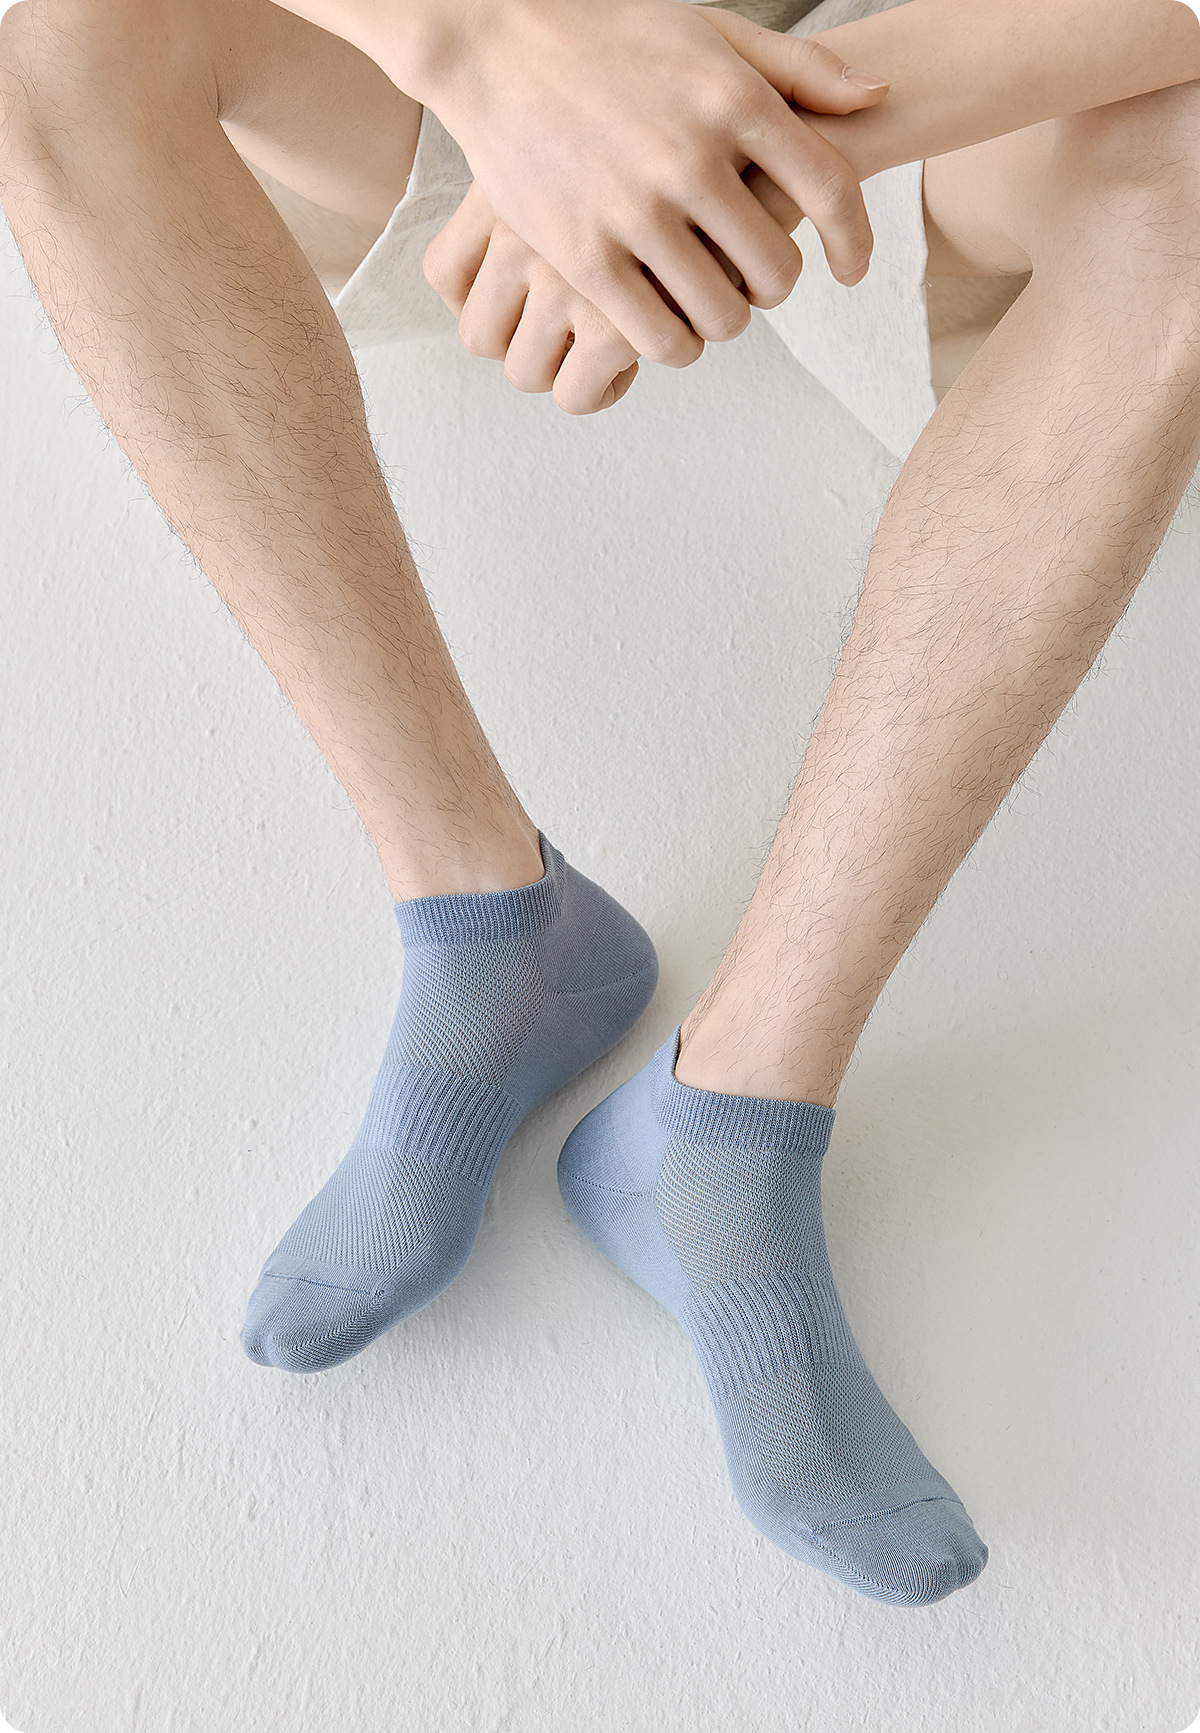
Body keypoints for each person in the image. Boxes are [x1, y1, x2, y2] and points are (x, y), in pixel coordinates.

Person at [1, 0, 1197, 1610]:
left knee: (1185, 179)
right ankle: (487, 915)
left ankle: (730, 1118)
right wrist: (490, 52)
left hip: (950, 80)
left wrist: (731, 147)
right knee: (65, 38)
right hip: (513, 60)